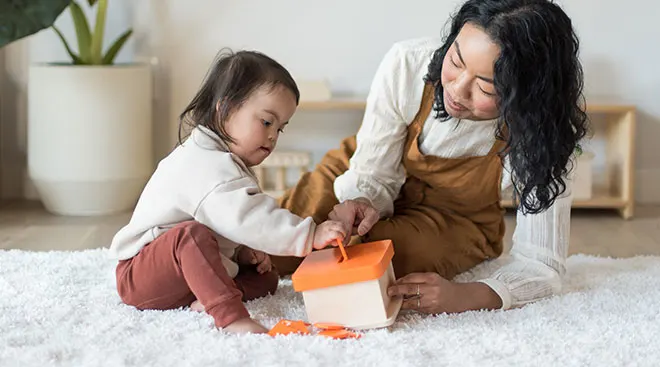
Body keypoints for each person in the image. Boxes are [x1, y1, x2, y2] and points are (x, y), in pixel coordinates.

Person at [271, 0, 589, 314]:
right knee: (285, 230)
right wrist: (361, 202)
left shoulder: (545, 136)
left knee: (376, 259)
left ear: (529, 94)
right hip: (365, 167)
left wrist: (466, 296)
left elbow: (542, 264)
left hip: (455, 217)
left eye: (487, 88)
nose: (457, 89)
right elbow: (372, 172)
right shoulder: (408, 63)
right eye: (456, 60)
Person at [108, 50, 347, 334]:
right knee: (189, 236)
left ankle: (206, 297)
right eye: (267, 122)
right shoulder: (203, 163)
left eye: (280, 128)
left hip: (186, 276)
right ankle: (230, 316)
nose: (273, 136)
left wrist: (243, 251)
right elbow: (248, 217)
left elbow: (225, 221)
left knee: (267, 276)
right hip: (142, 276)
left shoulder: (227, 162)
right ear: (225, 109)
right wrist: (310, 235)